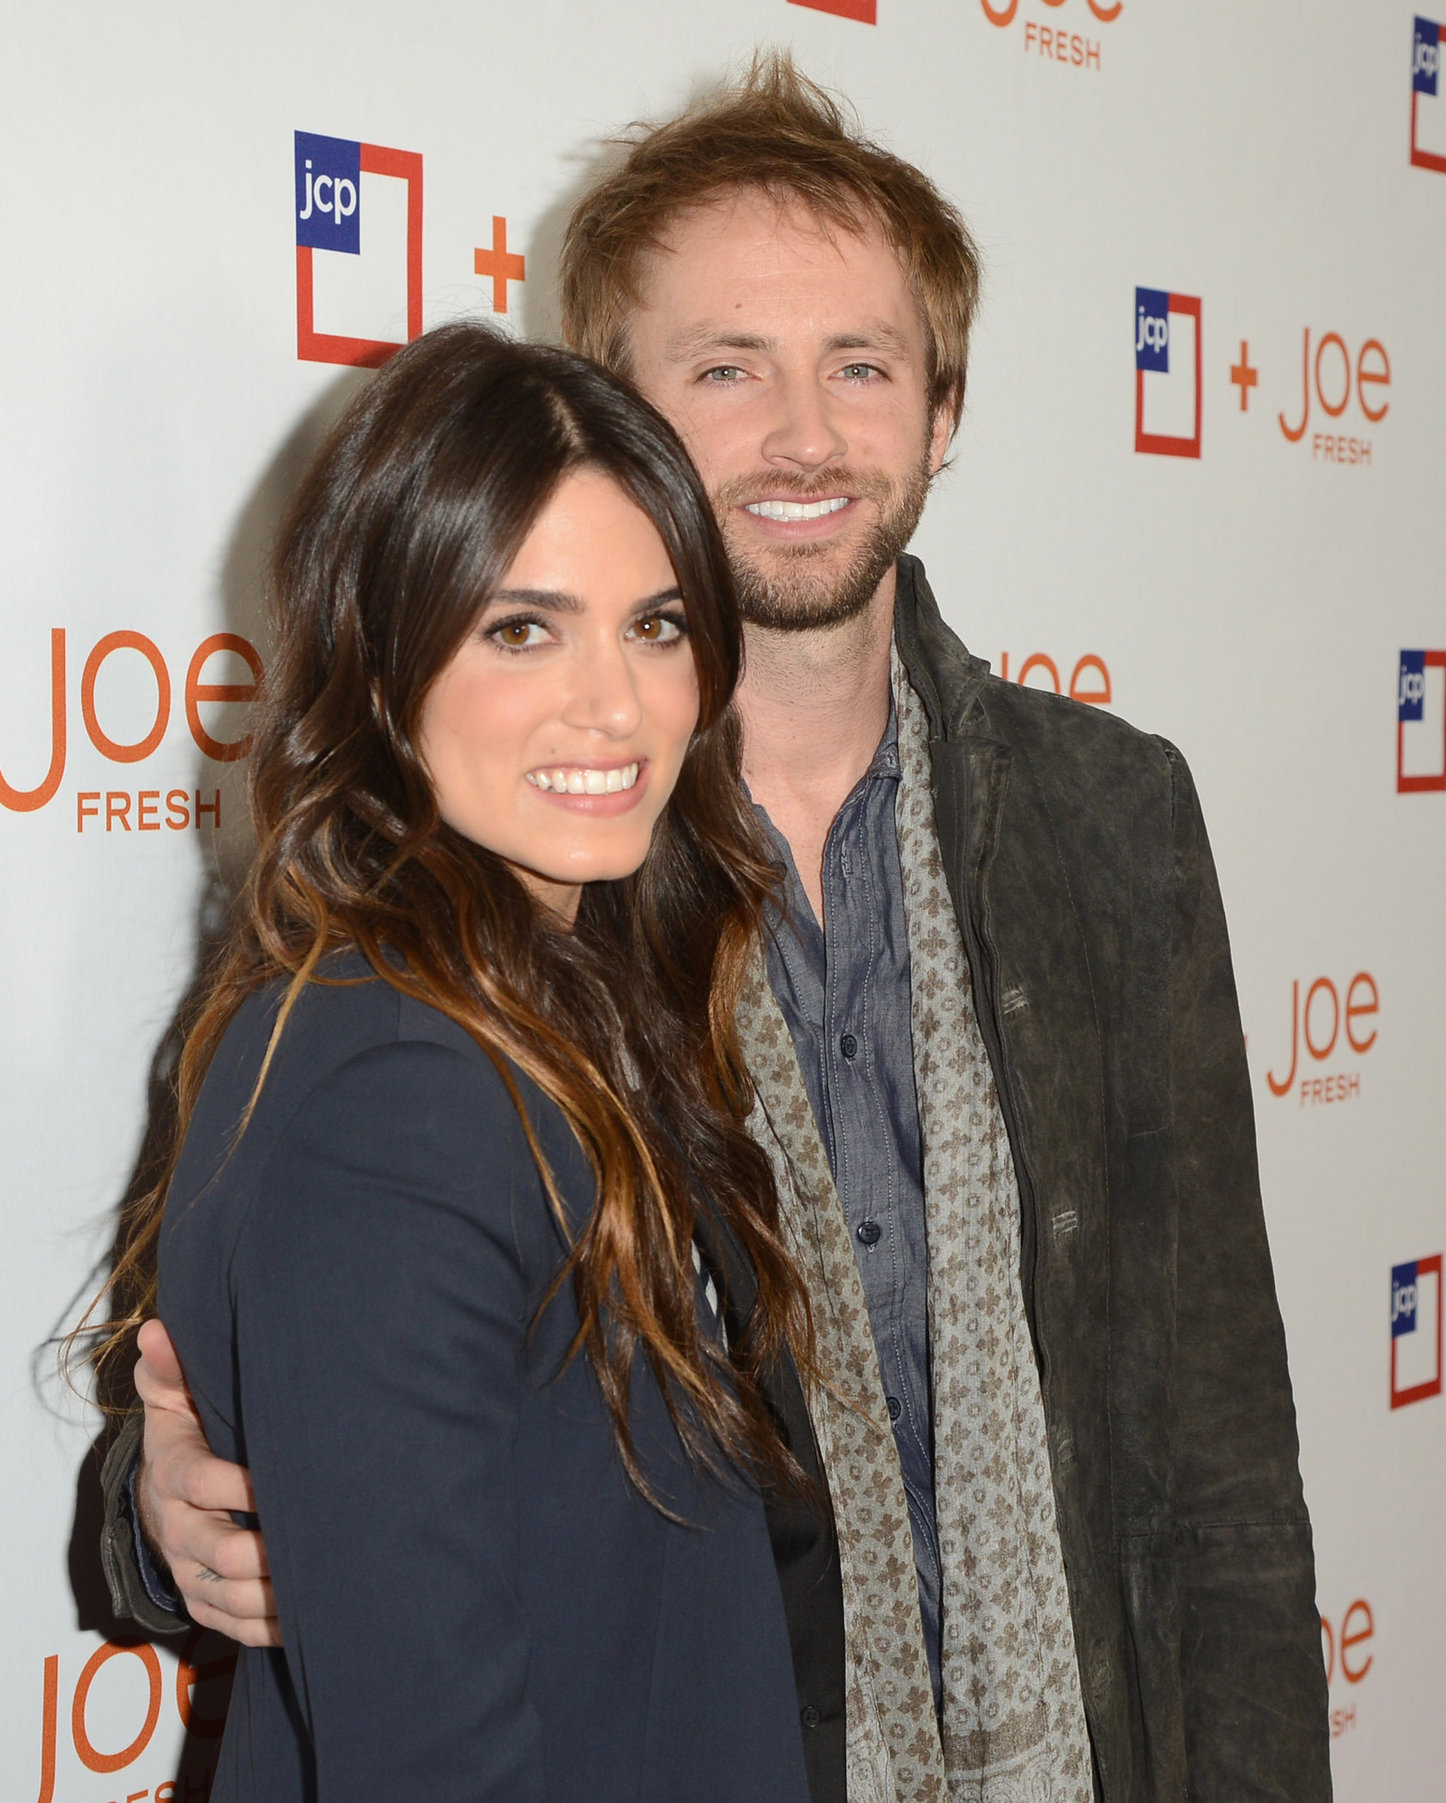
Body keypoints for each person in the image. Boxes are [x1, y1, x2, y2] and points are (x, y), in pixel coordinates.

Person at [104, 58, 1332, 1803]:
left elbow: (1218, 1457)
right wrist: (169, 1521)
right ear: (610, 409)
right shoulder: (537, 876)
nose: (807, 437)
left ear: (942, 403)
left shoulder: (1113, 818)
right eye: (726, 370)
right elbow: (313, 1360)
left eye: (861, 366)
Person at [86, 320, 843, 1801]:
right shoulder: (398, 1092)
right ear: (383, 660)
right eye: (521, 628)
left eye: (656, 624)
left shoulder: (573, 1000)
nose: (614, 707)